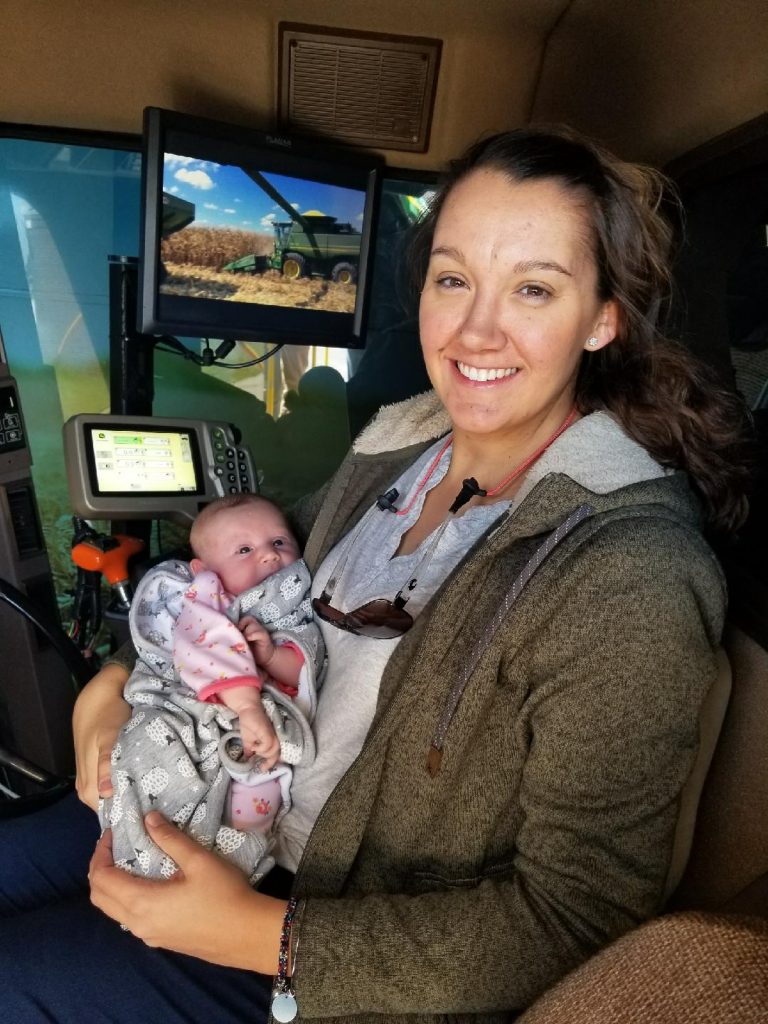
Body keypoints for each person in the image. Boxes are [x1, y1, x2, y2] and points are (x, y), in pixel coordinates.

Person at [0, 126, 752, 1023]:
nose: (477, 329)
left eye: (535, 289)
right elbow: (250, 576)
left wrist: (262, 938)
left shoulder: (630, 576)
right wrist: (118, 678)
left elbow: (577, 917)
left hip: (324, 918)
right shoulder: (397, 449)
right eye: (453, 278)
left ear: (603, 317)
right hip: (210, 780)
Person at [101, 494, 324, 882]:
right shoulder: (204, 600)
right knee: (157, 764)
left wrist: (271, 657)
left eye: (279, 542)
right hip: (198, 712)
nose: (270, 556)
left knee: (252, 803)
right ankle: (153, 858)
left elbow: (304, 662)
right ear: (205, 570)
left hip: (252, 747)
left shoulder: (293, 604)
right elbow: (205, 642)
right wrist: (247, 704)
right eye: (244, 549)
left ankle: (230, 867)